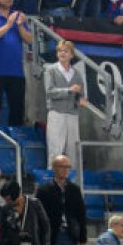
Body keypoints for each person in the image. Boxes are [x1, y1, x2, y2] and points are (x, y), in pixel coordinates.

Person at [38, 154, 88, 245]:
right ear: (54, 168)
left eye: (68, 167)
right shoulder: (44, 190)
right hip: (52, 236)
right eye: (62, 166)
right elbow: (39, 217)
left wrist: (82, 240)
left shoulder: (74, 190)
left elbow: (81, 215)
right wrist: (42, 242)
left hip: (71, 234)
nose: (66, 170)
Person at [44, 39, 85, 167]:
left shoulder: (76, 73)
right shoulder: (51, 70)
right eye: (60, 51)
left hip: (72, 114)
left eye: (65, 51)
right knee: (55, 149)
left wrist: (81, 99)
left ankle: (72, 182)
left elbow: (80, 92)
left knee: (73, 150)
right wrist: (68, 90)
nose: (62, 53)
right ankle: (52, 180)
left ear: (72, 55)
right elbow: (49, 92)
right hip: (57, 113)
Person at [0, 179, 51, 245]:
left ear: (16, 196)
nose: (6, 202)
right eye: (5, 199)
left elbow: (45, 226)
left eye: (8, 199)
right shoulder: (4, 209)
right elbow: (3, 232)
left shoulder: (35, 204)